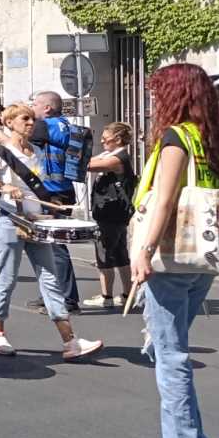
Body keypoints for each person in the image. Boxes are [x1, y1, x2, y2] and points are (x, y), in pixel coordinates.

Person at [131, 62, 219, 438]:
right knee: (167, 346)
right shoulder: (212, 138)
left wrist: (144, 249)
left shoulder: (177, 138)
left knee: (170, 354)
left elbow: (165, 200)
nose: (155, 100)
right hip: (202, 256)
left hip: (171, 256)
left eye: (159, 93)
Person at [0, 104, 104, 360]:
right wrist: (1, 185)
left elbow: (36, 187)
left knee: (50, 278)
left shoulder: (37, 150)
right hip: (9, 221)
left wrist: (49, 205)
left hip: (34, 222)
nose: (31, 123)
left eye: (33, 119)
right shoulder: (0, 153)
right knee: (7, 278)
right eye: (25, 119)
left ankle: (70, 341)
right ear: (10, 123)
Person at [28, 90, 85, 313]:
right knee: (47, 246)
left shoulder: (47, 125)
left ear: (47, 108)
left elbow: (25, 139)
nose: (32, 109)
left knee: (56, 247)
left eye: (35, 105)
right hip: (61, 190)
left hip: (54, 195)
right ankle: (52, 293)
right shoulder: (64, 125)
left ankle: (68, 300)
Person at [85, 121, 135, 308]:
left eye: (106, 138)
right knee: (121, 255)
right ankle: (127, 295)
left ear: (118, 139)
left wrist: (73, 154)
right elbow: (93, 161)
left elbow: (89, 165)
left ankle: (107, 297)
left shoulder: (118, 158)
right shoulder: (110, 154)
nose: (102, 141)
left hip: (111, 213)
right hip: (113, 213)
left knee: (104, 254)